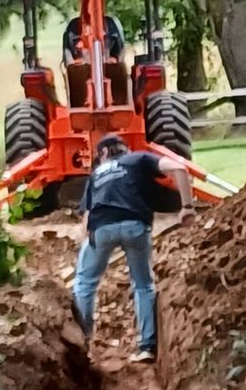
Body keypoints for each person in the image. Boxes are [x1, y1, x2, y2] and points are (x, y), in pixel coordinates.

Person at [72, 134, 194, 363]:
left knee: (84, 284)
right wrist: (187, 207)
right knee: (144, 285)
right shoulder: (139, 159)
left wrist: (90, 246)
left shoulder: (95, 174)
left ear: (104, 154)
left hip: (102, 227)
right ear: (125, 149)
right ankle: (146, 347)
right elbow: (180, 168)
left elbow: (86, 221)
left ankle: (82, 345)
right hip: (136, 226)